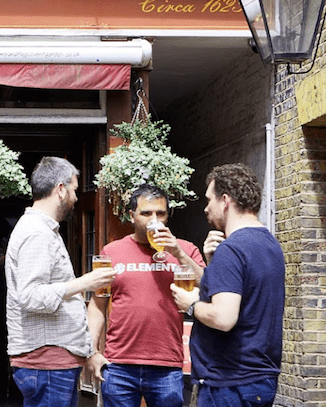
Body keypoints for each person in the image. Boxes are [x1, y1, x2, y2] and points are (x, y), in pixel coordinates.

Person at [5, 156, 117, 407]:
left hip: (50, 359)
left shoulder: (42, 229)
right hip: (47, 362)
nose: (76, 198)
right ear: (61, 189)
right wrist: (85, 282)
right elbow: (31, 296)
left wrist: (88, 351)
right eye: (75, 190)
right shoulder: (37, 232)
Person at [172, 163, 285, 407]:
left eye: (209, 200)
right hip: (258, 380)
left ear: (225, 200)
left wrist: (190, 303)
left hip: (230, 383)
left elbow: (223, 317)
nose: (205, 208)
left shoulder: (232, 249)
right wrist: (210, 263)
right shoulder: (269, 244)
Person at [87, 184, 206, 407]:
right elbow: (97, 305)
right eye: (146, 213)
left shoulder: (186, 249)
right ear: (132, 216)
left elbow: (208, 285)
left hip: (167, 365)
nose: (154, 220)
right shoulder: (112, 252)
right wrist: (92, 352)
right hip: (119, 364)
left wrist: (177, 252)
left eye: (160, 213)